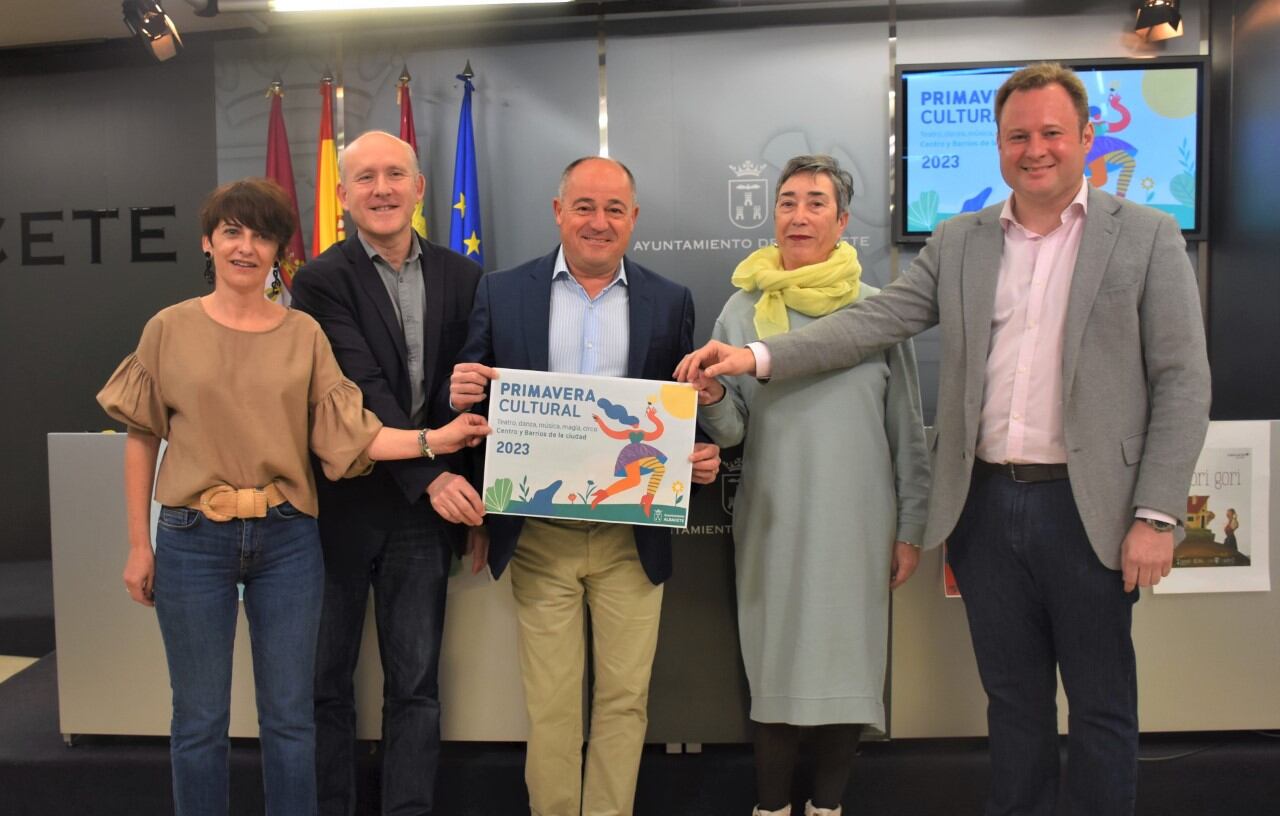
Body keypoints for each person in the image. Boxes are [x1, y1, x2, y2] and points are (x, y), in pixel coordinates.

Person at [677, 63, 1211, 816]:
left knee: (1100, 709)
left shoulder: (1147, 237)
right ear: (997, 146)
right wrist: (757, 357)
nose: (1035, 149)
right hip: (988, 512)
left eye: (1051, 133)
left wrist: (1157, 514)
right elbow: (871, 323)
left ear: (1086, 138)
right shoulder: (961, 241)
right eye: (1017, 135)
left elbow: (1185, 383)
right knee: (1014, 709)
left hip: (1092, 513)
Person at [97, 177, 489, 816]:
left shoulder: (304, 333)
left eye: (261, 236)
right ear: (209, 241)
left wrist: (433, 440)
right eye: (232, 232)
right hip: (193, 539)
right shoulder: (167, 329)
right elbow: (142, 438)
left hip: (288, 540)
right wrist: (139, 545)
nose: (245, 248)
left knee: (290, 719)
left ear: (280, 251)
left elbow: (352, 434)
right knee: (198, 719)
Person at [449, 156, 721, 816]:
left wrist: (695, 447)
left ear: (634, 219)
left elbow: (680, 413)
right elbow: (475, 405)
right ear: (557, 211)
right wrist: (458, 393)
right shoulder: (502, 292)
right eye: (584, 207)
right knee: (552, 707)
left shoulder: (671, 300)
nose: (599, 222)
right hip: (541, 538)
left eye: (614, 209)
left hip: (633, 539)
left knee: (626, 703)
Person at [688, 154, 929, 816]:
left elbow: (906, 429)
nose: (799, 215)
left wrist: (910, 528)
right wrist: (710, 396)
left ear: (843, 220)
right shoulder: (741, 311)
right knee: (775, 670)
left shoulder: (879, 313)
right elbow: (731, 431)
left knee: (846, 670)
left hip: (858, 524)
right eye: (788, 201)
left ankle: (828, 808)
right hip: (773, 519)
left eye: (816, 202)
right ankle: (770, 809)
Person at [289, 130, 485, 816]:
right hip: (338, 511)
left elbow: (473, 391)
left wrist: (480, 502)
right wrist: (430, 474)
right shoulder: (318, 281)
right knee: (325, 686)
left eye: (395, 174)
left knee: (417, 688)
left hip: (424, 524)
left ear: (420, 187)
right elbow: (359, 388)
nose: (382, 189)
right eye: (365, 177)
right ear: (343, 196)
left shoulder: (466, 276)